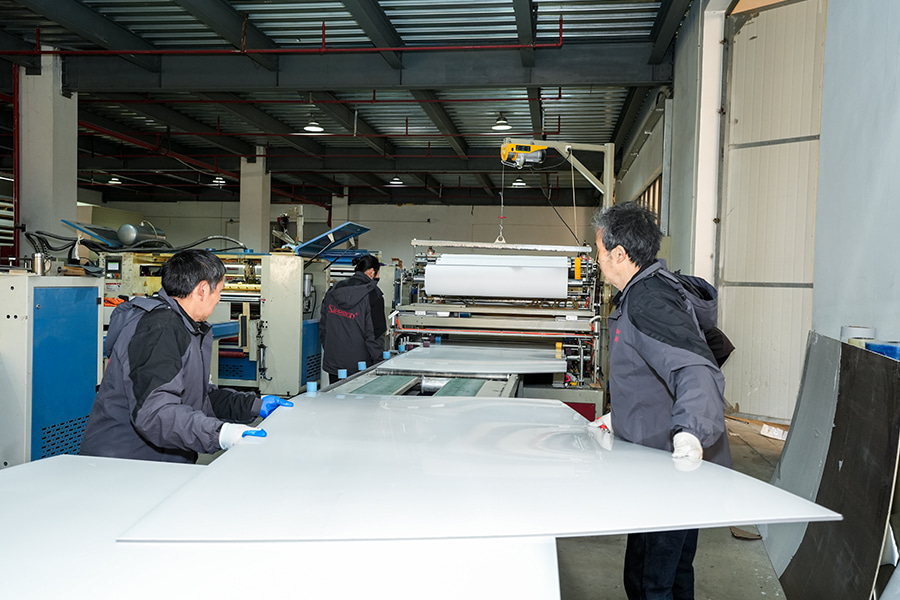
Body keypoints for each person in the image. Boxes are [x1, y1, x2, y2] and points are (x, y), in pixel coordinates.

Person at [592, 202, 731, 600]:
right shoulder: (644, 292)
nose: (597, 260)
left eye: (599, 251)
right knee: (670, 574)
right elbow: (651, 370)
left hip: (670, 468)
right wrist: (619, 417)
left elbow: (696, 369)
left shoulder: (649, 301)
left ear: (620, 254)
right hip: (653, 460)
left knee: (650, 583)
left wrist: (690, 434)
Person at [80, 249, 292, 463]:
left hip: (152, 462)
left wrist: (255, 405)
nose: (219, 299)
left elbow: (198, 398)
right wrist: (221, 434)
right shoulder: (160, 329)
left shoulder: (185, 326)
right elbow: (156, 413)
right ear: (202, 290)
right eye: (219, 291)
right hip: (124, 465)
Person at [319, 254, 386, 384]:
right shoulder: (373, 295)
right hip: (361, 366)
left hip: (334, 361)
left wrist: (330, 350)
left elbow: (323, 327)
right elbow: (374, 335)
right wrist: (379, 363)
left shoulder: (334, 290)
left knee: (335, 394)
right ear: (372, 272)